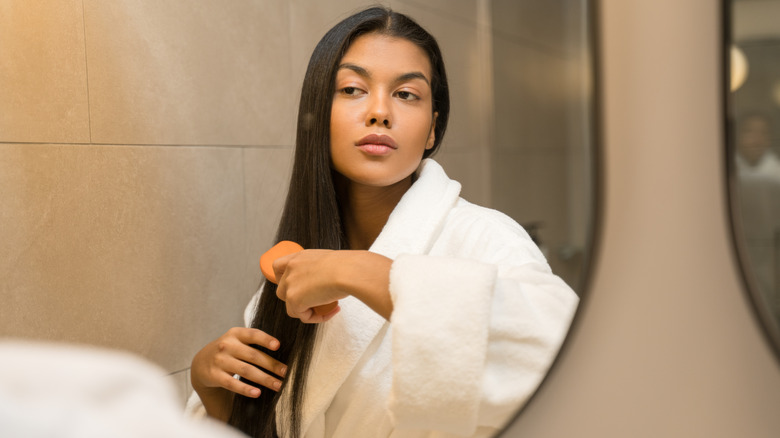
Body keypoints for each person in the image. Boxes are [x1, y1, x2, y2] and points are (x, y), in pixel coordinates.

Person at [187, 7, 578, 438]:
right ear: (317, 116)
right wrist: (212, 390)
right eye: (353, 89)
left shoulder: (486, 239)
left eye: (407, 94)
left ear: (432, 130)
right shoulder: (294, 270)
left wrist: (366, 272)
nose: (379, 112)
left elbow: (568, 361)